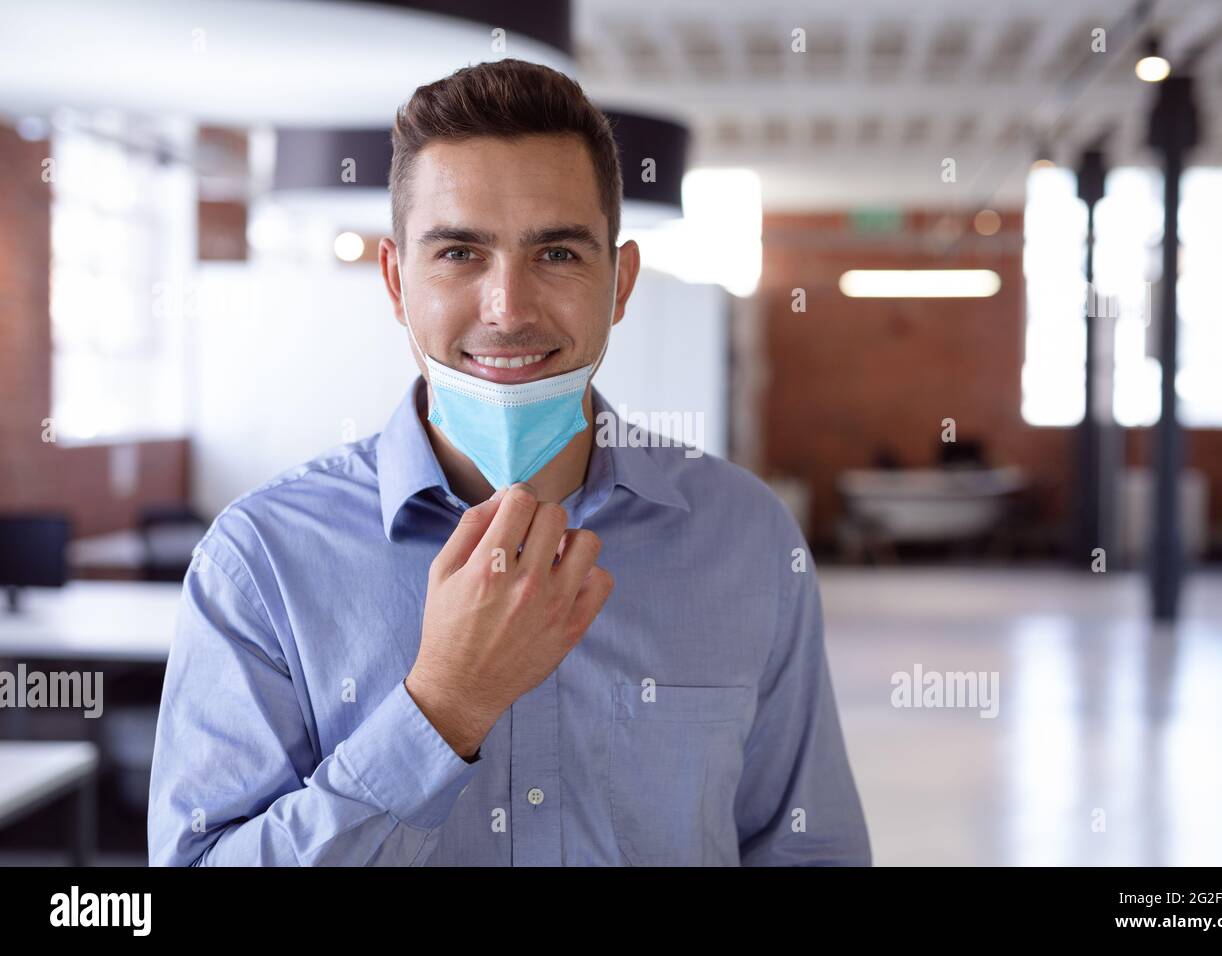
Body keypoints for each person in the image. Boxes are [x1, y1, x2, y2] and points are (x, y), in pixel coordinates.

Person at [147, 58, 871, 866]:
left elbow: (810, 849)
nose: (509, 310)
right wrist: (445, 708)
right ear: (396, 281)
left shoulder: (747, 538)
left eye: (558, 254)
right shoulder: (260, 562)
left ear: (620, 283)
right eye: (460, 253)